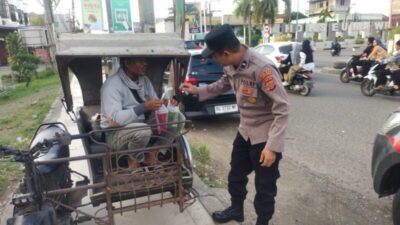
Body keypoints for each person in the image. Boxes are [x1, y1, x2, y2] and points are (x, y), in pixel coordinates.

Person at [180, 24, 289, 225]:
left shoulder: (262, 69)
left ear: (226, 53)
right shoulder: (230, 64)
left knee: (265, 187)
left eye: (214, 56)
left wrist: (272, 147)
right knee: (236, 175)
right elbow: (222, 85)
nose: (214, 60)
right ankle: (236, 210)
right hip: (245, 130)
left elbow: (282, 109)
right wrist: (197, 90)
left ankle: (262, 222)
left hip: (265, 136)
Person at [100, 57, 184, 168]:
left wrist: (166, 104)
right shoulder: (112, 85)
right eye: (140, 61)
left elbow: (155, 103)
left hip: (143, 124)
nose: (145, 64)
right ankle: (134, 159)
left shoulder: (144, 80)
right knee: (143, 130)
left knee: (178, 118)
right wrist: (144, 107)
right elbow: (115, 119)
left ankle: (154, 152)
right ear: (127, 63)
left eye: (145, 60)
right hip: (116, 133)